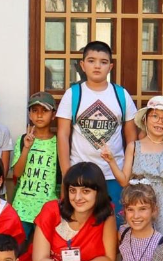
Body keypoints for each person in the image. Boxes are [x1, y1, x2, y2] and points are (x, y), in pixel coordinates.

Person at [56, 41, 138, 217]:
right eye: (91, 61)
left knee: (114, 222)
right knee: (81, 224)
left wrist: (128, 172)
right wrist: (66, 175)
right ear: (82, 65)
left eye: (103, 62)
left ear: (110, 67)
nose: (97, 66)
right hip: (79, 175)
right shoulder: (73, 94)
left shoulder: (121, 95)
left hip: (114, 175)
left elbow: (131, 138)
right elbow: (62, 135)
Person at [101, 96, 163, 238]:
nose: (160, 121)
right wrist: (111, 161)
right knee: (140, 239)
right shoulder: (134, 146)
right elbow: (124, 181)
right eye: (155, 116)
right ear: (145, 120)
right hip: (139, 205)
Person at [11, 91, 59, 242]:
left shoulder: (59, 143)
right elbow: (17, 173)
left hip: (48, 207)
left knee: (44, 248)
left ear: (53, 115)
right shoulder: (22, 140)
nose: (39, 115)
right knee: (17, 247)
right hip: (22, 207)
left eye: (44, 111)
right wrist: (27, 147)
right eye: (35, 110)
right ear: (29, 115)